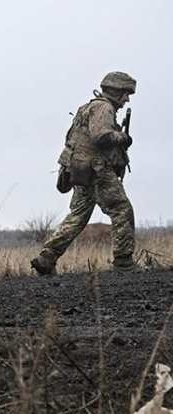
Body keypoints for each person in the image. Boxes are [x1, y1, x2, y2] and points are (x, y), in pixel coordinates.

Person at [31, 72, 137, 275]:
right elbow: (100, 137)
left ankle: (47, 258)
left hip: (82, 171)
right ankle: (124, 263)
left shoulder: (88, 107)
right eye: (125, 94)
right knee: (122, 210)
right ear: (116, 91)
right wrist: (122, 137)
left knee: (78, 216)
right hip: (97, 172)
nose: (127, 99)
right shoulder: (104, 108)